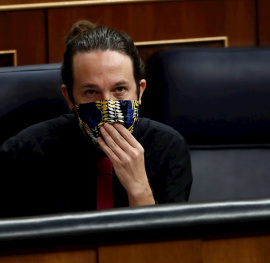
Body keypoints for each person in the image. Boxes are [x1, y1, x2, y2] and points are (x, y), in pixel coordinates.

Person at [0, 20, 192, 217]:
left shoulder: (168, 148)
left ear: (140, 91)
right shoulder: (24, 152)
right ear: (69, 98)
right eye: (91, 92)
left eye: (119, 89)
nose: (107, 105)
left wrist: (139, 190)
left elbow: (167, 246)